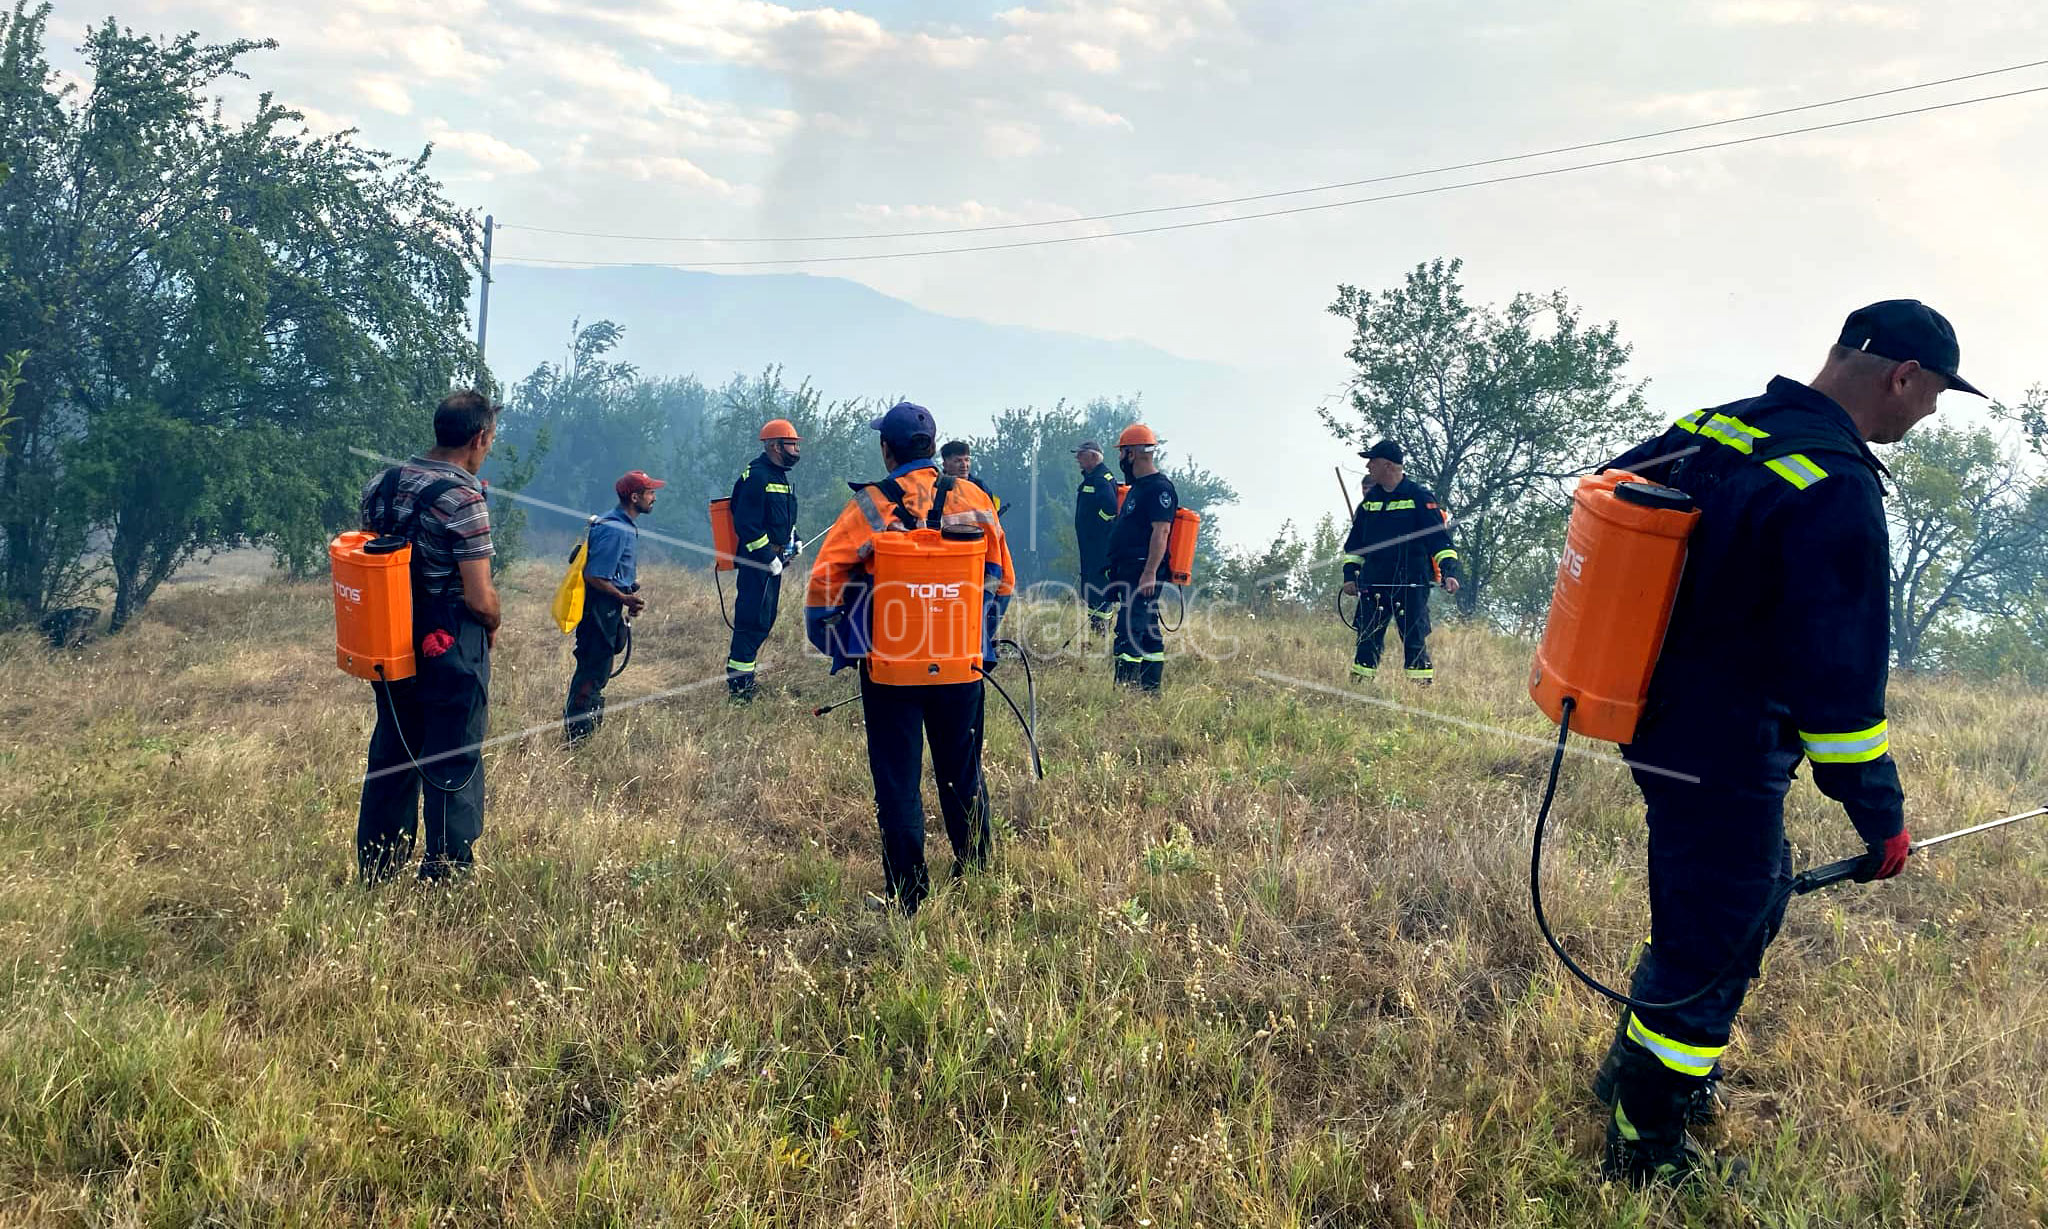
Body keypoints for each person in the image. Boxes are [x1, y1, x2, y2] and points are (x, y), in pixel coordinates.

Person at [1588, 300, 1976, 1184]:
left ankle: (1630, 1071)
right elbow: (1840, 701)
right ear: (1901, 376)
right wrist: (1883, 821)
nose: (1930, 415)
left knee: (1718, 902)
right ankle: (1644, 1140)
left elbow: (1614, 504)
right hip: (1726, 748)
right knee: (1719, 933)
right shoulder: (1835, 485)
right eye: (1936, 395)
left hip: (1648, 720)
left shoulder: (1716, 424)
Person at [805, 402, 1016, 914]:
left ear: (886, 449)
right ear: (932, 446)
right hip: (960, 665)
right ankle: (976, 876)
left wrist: (840, 643)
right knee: (962, 772)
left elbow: (823, 585)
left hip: (891, 669)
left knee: (898, 780)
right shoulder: (975, 497)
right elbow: (1002, 581)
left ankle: (908, 897)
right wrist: (977, 637)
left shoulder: (870, 506)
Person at [355, 389, 502, 883]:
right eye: (491, 439)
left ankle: (378, 867)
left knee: (393, 750)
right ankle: (446, 873)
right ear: (478, 437)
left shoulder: (381, 483)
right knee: (453, 754)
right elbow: (479, 598)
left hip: (387, 637)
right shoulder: (465, 499)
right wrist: (494, 623)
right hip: (449, 644)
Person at [1340, 440, 1461, 685]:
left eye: (1372, 461)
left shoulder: (1419, 497)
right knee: (1367, 637)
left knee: (1414, 638)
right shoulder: (1371, 501)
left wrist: (1449, 571)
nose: (1367, 465)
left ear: (1387, 465)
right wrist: (1349, 575)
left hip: (1411, 582)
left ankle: (1420, 690)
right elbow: (1355, 546)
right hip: (1373, 582)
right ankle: (1359, 688)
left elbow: (1439, 540)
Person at [564, 470, 661, 744]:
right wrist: (623, 598)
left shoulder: (621, 524)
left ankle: (585, 730)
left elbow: (612, 571)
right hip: (599, 607)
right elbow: (594, 576)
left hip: (607, 605)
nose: (654, 498)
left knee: (600, 666)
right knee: (593, 669)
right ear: (634, 497)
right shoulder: (616, 528)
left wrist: (628, 587)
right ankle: (578, 737)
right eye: (650, 493)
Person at [726, 420, 803, 700]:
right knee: (750, 622)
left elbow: (781, 517)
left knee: (764, 620)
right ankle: (740, 690)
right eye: (791, 444)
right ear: (774, 445)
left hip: (773, 562)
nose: (795, 450)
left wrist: (795, 538)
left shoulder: (779, 476)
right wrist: (767, 557)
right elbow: (747, 524)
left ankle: (747, 680)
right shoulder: (757, 476)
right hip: (757, 564)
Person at [1107, 423, 1177, 691]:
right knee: (1147, 631)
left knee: (1129, 631)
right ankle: (1150, 691)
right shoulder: (1137, 487)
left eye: (1122, 452)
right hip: (1130, 571)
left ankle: (1125, 691)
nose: (1121, 458)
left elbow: (1162, 532)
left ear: (1132, 453)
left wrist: (1149, 573)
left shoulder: (1159, 488)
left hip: (1143, 573)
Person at [1073, 440, 1120, 637]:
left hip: (1098, 548)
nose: (1077, 459)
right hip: (1092, 547)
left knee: (1099, 589)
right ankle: (1096, 629)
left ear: (1093, 456)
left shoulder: (1100, 479)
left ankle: (1100, 631)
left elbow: (1110, 508)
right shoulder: (1094, 477)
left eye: (1081, 455)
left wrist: (1096, 528)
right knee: (1092, 588)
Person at [941, 439, 1003, 514]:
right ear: (945, 465)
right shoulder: (937, 487)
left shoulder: (980, 486)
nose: (964, 465)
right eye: (958, 461)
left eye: (967, 460)